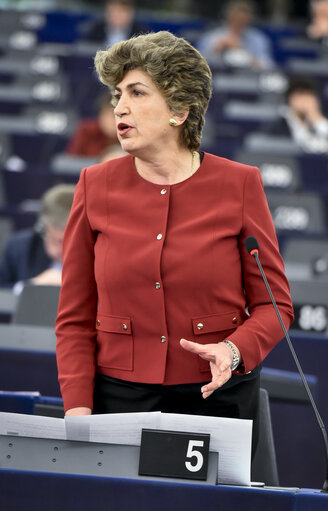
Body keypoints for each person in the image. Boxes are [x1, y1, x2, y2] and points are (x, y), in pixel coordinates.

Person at [55, 31, 294, 457]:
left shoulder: (240, 184)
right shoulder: (94, 185)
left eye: (136, 92)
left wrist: (233, 350)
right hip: (119, 403)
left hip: (217, 399)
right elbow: (74, 318)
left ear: (180, 111)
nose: (119, 107)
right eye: (116, 95)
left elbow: (275, 305)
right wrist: (77, 407)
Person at [0, 184, 75, 291]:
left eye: (73, 242)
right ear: (44, 230)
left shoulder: (99, 252)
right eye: (58, 241)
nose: (65, 249)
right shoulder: (20, 247)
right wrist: (29, 286)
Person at [264, 79, 328, 153]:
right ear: (290, 99)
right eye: (300, 95)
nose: (305, 101)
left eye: (309, 95)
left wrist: (316, 118)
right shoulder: (278, 125)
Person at [198, 0, 274, 69]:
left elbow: (269, 66)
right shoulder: (211, 37)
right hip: (219, 78)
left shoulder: (258, 39)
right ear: (228, 18)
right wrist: (217, 48)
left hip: (249, 78)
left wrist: (247, 58)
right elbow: (198, 64)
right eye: (235, 20)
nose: (238, 24)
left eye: (242, 21)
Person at [67, 93, 120, 158]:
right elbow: (71, 161)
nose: (110, 121)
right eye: (105, 115)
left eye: (114, 116)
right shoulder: (87, 131)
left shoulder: (131, 134)